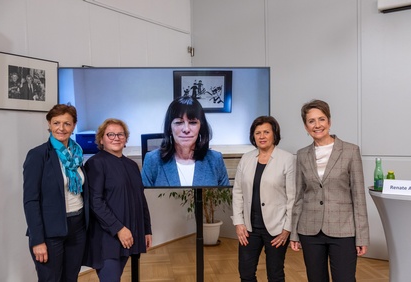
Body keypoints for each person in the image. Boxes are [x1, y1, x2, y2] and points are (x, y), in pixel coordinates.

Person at [290, 99, 369, 282]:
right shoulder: (302, 154)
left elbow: (359, 197)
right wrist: (294, 232)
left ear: (329, 122)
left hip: (343, 230)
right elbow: (299, 196)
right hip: (309, 230)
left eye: (321, 119)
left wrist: (362, 236)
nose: (317, 125)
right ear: (305, 126)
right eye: (311, 121)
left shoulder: (350, 151)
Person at [23, 104, 89, 282]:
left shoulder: (77, 154)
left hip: (78, 227)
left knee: (71, 278)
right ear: (49, 125)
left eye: (67, 123)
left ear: (74, 125)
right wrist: (37, 240)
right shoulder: (38, 155)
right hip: (50, 231)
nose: (61, 128)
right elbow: (31, 200)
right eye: (56, 123)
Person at [83, 118, 152, 282]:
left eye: (120, 134)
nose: (116, 138)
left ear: (126, 139)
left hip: (131, 233)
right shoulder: (95, 163)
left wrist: (147, 229)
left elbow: (140, 200)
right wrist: (119, 229)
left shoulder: (132, 165)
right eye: (110, 134)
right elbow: (95, 202)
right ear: (101, 139)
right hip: (107, 236)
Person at [232, 115, 296, 282]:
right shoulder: (246, 158)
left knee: (275, 275)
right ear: (253, 136)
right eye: (257, 132)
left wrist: (287, 229)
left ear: (274, 134)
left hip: (276, 229)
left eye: (266, 132)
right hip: (249, 228)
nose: (262, 136)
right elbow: (237, 191)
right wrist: (239, 222)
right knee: (245, 274)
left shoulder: (287, 159)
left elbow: (293, 197)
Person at [141, 96, 229, 187]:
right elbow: (143, 200)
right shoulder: (152, 160)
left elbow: (225, 200)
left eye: (193, 122)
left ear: (201, 127)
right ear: (169, 128)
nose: (186, 129)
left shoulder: (215, 160)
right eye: (179, 122)